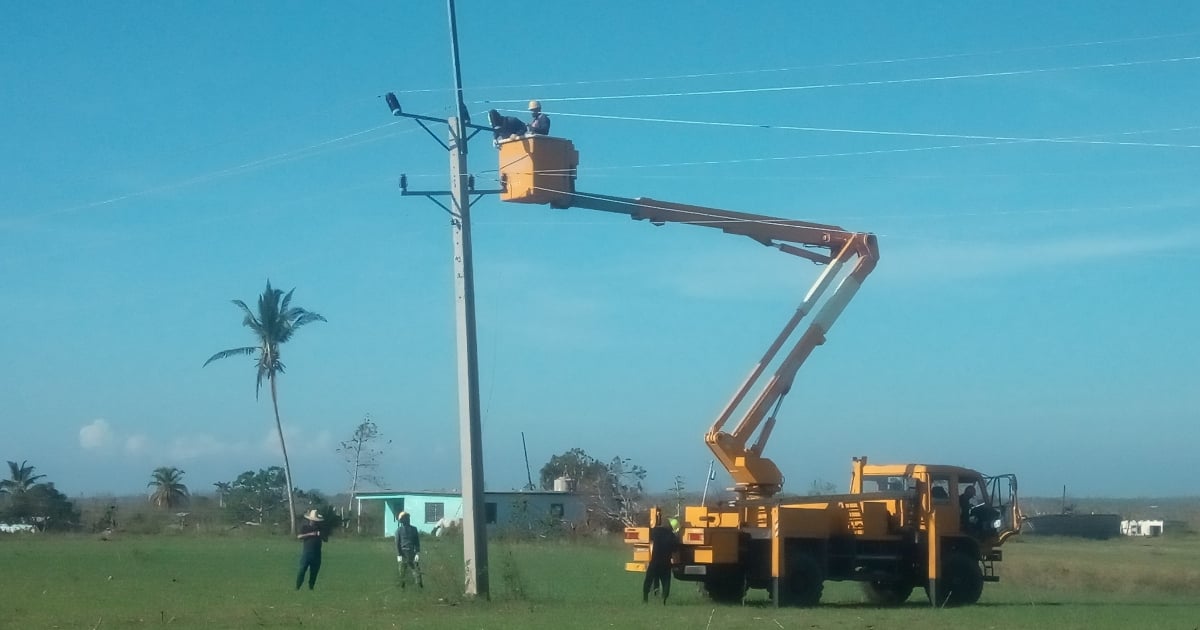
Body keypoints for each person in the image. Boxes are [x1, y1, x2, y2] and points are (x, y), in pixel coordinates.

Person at [643, 516, 678, 604]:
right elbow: (675, 549)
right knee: (666, 581)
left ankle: (645, 598)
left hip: (654, 562)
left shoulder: (656, 531)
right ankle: (664, 599)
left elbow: (650, 535)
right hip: (665, 564)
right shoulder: (672, 536)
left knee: (648, 579)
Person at [295, 509, 327, 590]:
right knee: (302, 570)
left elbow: (326, 539)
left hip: (317, 554)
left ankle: (311, 587)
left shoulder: (320, 529)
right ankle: (297, 586)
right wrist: (311, 534)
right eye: (313, 520)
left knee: (314, 572)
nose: (314, 522)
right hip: (307, 553)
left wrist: (321, 534)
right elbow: (299, 536)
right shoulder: (305, 527)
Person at [395, 511, 423, 589]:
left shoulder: (414, 529)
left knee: (416, 570)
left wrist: (417, 553)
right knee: (402, 571)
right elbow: (397, 543)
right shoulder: (399, 530)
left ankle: (419, 586)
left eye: (407, 518)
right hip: (403, 553)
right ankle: (402, 586)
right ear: (401, 520)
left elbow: (417, 542)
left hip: (412, 553)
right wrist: (399, 555)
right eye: (405, 518)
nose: (407, 520)